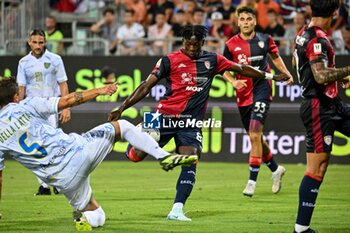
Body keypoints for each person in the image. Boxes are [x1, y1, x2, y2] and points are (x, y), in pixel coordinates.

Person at [108, 25, 290, 221]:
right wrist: (122, 108)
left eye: (196, 45)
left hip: (191, 123)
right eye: (188, 45)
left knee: (191, 159)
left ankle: (177, 210)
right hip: (161, 116)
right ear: (183, 42)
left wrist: (271, 76)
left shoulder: (214, 59)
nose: (192, 49)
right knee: (135, 157)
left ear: (202, 43)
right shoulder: (169, 60)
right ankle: (134, 140)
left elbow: (241, 68)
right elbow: (145, 87)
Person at [0, 76, 198, 230]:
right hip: (77, 152)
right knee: (123, 126)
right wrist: (100, 90)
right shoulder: (26, 105)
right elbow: (69, 100)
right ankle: (163, 157)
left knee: (96, 214)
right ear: (16, 97)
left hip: (60, 180)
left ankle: (84, 217)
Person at [223, 7, 294, 197]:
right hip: (243, 94)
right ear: (238, 22)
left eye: (249, 19)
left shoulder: (265, 39)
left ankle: (251, 182)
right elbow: (224, 68)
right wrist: (232, 81)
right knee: (257, 138)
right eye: (242, 19)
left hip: (263, 89)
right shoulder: (230, 44)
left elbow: (276, 58)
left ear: (254, 21)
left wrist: (286, 74)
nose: (246, 22)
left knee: (255, 134)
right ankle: (275, 169)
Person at [292, 0, 350, 232]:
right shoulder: (317, 39)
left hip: (331, 103)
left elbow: (298, 62)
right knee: (317, 169)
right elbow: (320, 75)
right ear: (335, 12)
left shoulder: (304, 33)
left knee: (320, 168)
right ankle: (301, 229)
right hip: (318, 107)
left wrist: (335, 76)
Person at [16, 29, 72, 195]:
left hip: (50, 107)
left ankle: (57, 182)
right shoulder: (23, 62)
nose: (38, 45)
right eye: (35, 42)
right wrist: (17, 109)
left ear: (45, 43)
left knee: (54, 144)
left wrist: (66, 106)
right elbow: (21, 88)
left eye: (41, 42)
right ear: (29, 42)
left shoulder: (55, 59)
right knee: (35, 147)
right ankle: (44, 185)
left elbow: (63, 84)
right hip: (30, 108)